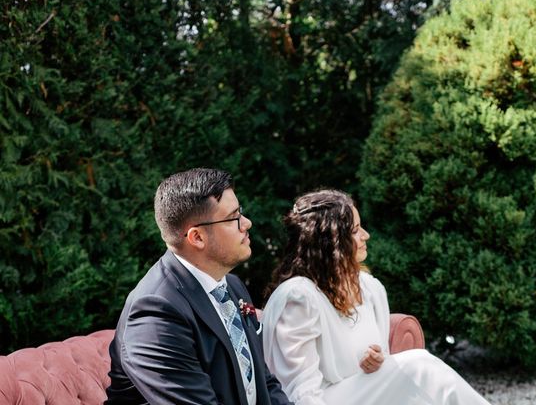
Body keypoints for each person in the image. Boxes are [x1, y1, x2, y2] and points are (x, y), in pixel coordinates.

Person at [260, 189, 492, 405]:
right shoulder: (299, 297)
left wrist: (375, 363)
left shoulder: (369, 288)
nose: (366, 235)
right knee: (420, 367)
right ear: (329, 241)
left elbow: (373, 373)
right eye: (354, 230)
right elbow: (298, 391)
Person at [105, 168, 292, 405]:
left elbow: (264, 383)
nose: (246, 223)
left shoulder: (231, 287)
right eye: (233, 217)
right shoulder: (155, 313)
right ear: (197, 237)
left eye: (241, 212)